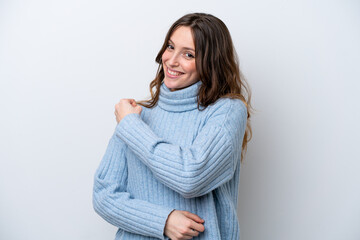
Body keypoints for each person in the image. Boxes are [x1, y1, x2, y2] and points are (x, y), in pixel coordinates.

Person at [92, 12, 252, 240]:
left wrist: (131, 128)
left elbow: (191, 176)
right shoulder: (137, 115)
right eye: (170, 47)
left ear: (210, 62)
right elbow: (104, 195)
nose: (172, 60)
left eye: (188, 54)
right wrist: (163, 221)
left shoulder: (227, 111)